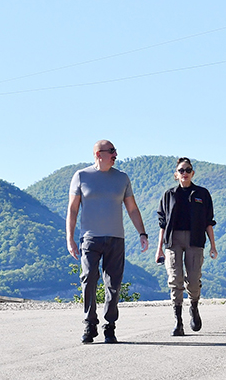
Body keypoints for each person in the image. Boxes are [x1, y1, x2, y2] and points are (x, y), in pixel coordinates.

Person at [66, 140, 149, 344]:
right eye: (111, 151)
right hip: (90, 238)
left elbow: (132, 208)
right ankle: (89, 323)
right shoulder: (81, 176)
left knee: (113, 284)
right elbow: (73, 210)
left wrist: (142, 233)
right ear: (98, 154)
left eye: (115, 151)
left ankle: (110, 326)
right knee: (88, 278)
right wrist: (70, 238)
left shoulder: (122, 178)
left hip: (116, 239)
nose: (115, 155)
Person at [155, 157, 218, 336]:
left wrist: (213, 246)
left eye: (188, 170)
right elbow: (162, 224)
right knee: (175, 279)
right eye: (181, 170)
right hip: (173, 240)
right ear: (176, 174)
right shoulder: (169, 195)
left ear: (193, 173)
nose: (185, 173)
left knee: (193, 279)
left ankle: (194, 306)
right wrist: (159, 249)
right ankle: (178, 321)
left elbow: (208, 222)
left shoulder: (202, 194)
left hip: (195, 239)